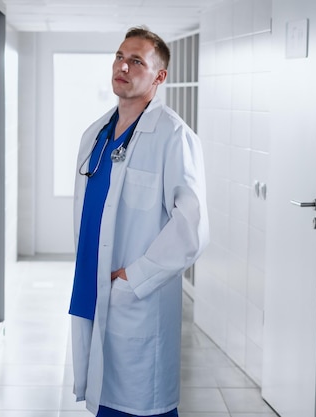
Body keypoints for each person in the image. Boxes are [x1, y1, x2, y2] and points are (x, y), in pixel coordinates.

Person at [68, 26, 209, 417]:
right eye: (119, 56)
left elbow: (191, 228)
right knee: (103, 400)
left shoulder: (173, 136)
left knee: (139, 403)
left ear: (159, 76)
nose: (122, 67)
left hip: (133, 293)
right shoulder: (95, 134)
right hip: (93, 285)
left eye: (136, 61)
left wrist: (135, 277)